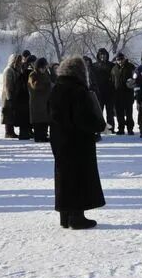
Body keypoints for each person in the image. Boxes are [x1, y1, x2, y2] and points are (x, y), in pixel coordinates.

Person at [49, 55, 106, 230]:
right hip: (78, 142)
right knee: (78, 177)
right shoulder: (78, 91)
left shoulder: (56, 89)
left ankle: (65, 216)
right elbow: (84, 119)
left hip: (59, 140)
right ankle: (77, 216)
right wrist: (99, 125)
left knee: (63, 177)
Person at [110, 53, 136, 136]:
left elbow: (135, 78)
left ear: (124, 59)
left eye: (121, 59)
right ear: (116, 60)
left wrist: (132, 83)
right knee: (119, 113)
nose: (120, 61)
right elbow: (112, 81)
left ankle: (130, 129)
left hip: (128, 94)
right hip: (117, 95)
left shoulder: (130, 67)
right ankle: (121, 129)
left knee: (129, 113)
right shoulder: (114, 69)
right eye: (118, 60)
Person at [28, 58, 54, 142]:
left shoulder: (45, 74)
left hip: (45, 101)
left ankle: (43, 135)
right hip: (37, 102)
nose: (44, 69)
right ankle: (38, 136)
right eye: (43, 67)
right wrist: (47, 85)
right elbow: (35, 85)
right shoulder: (33, 74)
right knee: (38, 120)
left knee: (45, 119)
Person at [91, 48, 115, 133]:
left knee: (110, 112)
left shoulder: (112, 65)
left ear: (107, 55)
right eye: (101, 54)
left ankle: (110, 128)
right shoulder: (94, 66)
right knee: (99, 112)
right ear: (98, 55)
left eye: (104, 54)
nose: (102, 56)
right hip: (98, 92)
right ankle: (100, 128)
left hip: (109, 92)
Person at [15, 55, 36, 139]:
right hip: (24, 97)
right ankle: (24, 133)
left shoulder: (23, 70)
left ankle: (27, 132)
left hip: (23, 97)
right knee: (25, 116)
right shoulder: (27, 72)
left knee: (25, 116)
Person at [1, 54, 22, 138]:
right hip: (8, 96)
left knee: (11, 114)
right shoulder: (8, 70)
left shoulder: (16, 70)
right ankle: (8, 132)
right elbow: (7, 85)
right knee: (8, 113)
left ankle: (11, 131)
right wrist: (10, 97)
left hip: (14, 95)